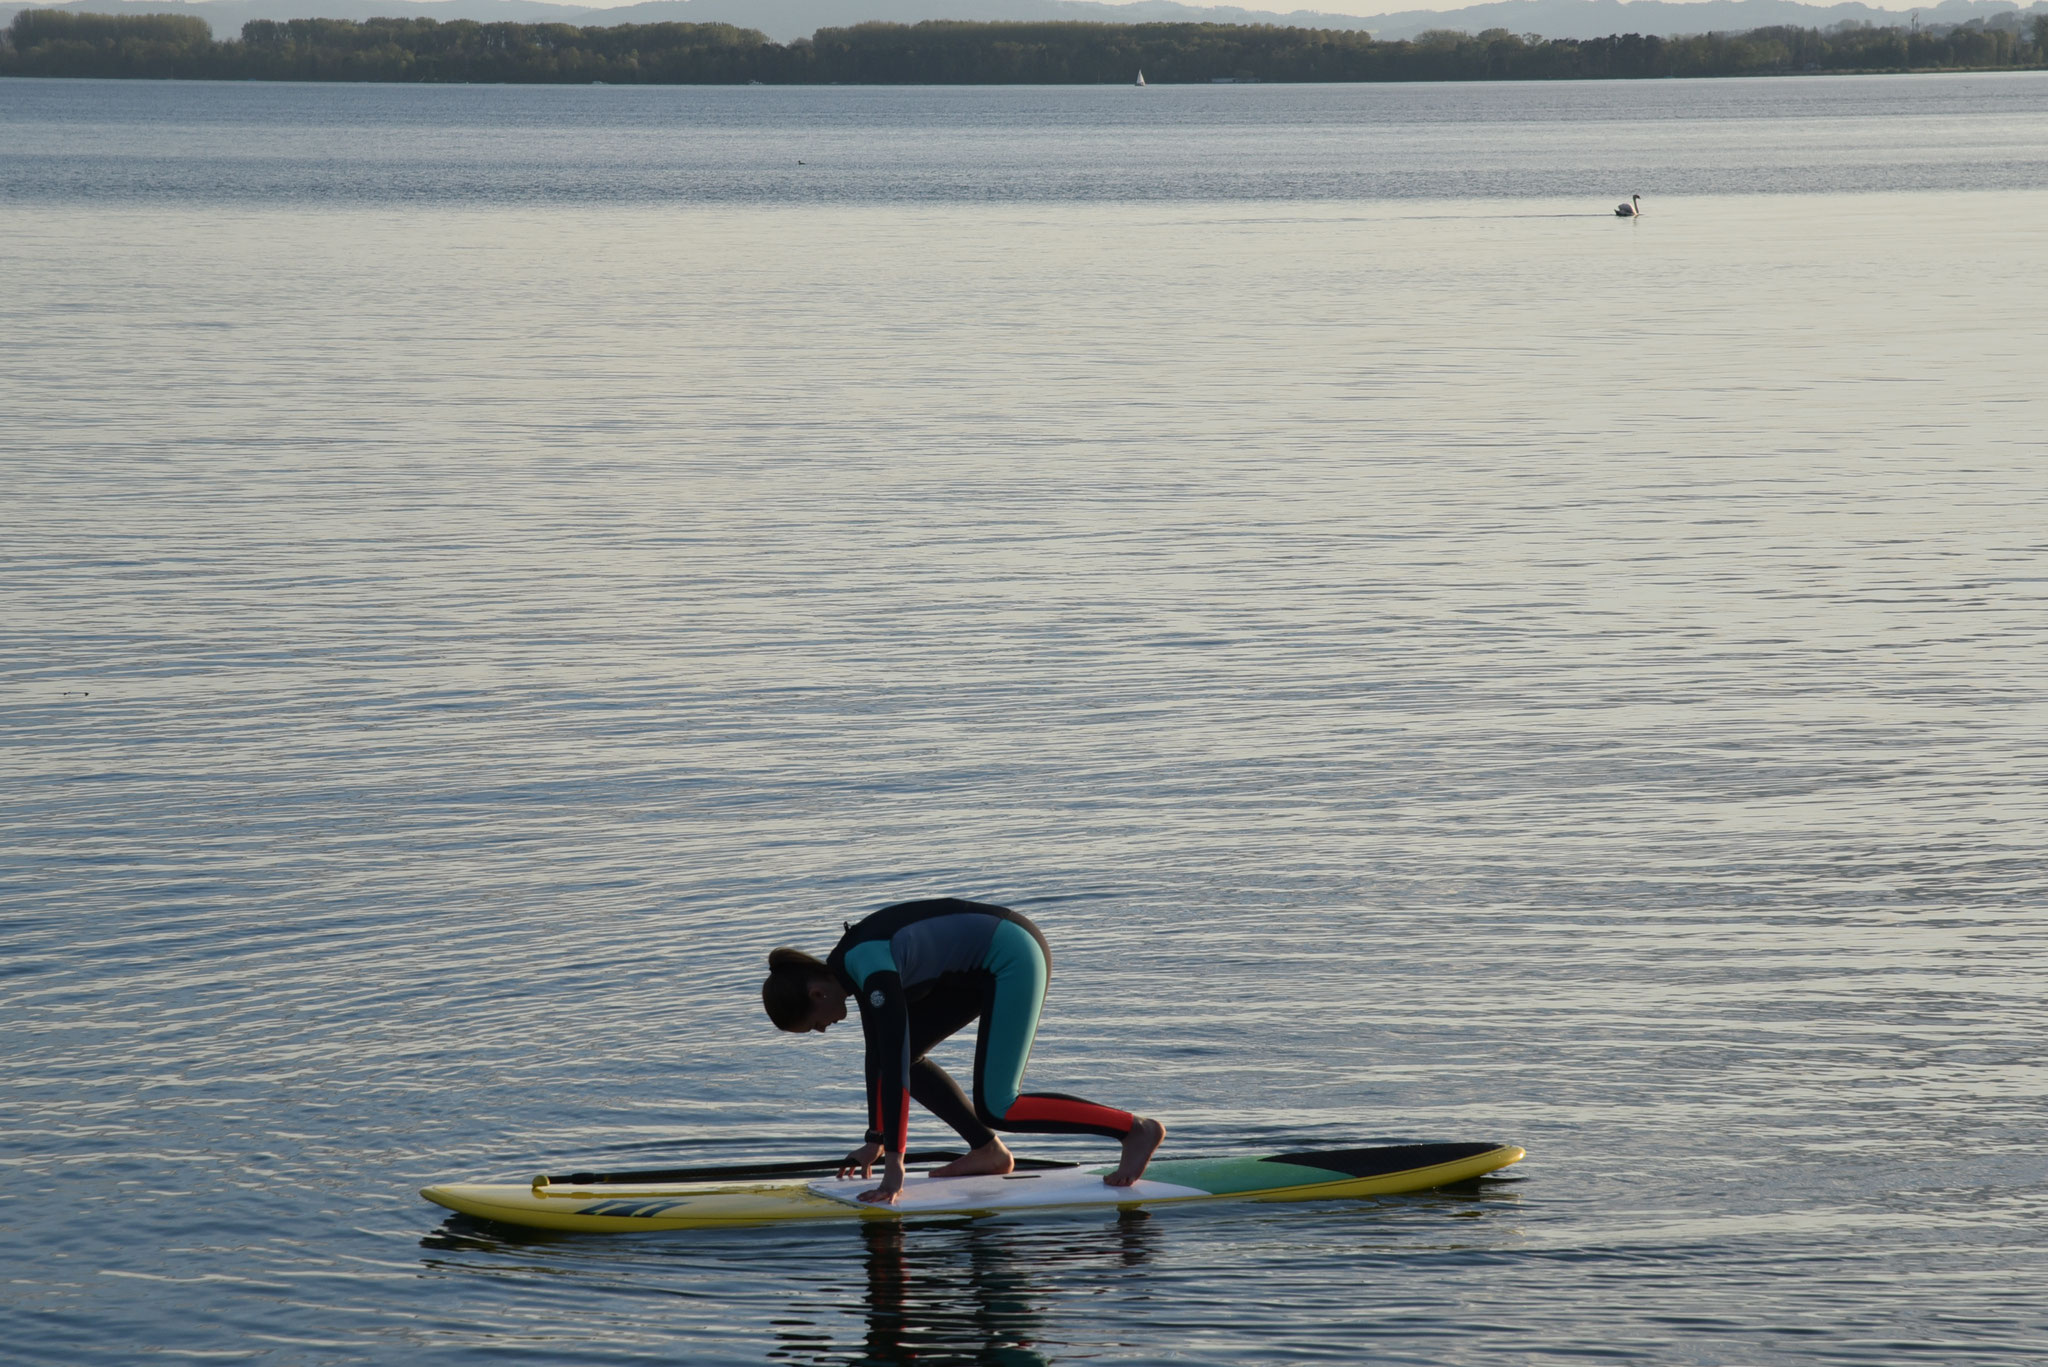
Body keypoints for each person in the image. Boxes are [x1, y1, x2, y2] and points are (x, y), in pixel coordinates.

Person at [761, 897, 1167, 1206]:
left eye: (814, 1023)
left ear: (817, 992)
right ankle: (988, 1151)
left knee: (1000, 1105)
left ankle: (1134, 1129)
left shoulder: (870, 968)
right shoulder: (852, 969)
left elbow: (894, 1069)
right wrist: (874, 1139)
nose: (822, 1028)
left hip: (1013, 955)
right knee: (904, 1056)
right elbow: (882, 1058)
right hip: (972, 971)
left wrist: (894, 1168)